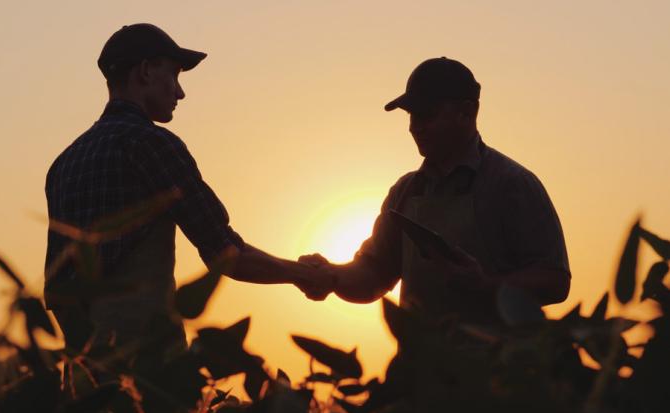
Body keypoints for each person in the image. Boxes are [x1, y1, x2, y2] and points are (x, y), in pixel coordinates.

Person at [44, 24, 327, 353]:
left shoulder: (63, 164)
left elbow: (57, 291)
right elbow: (227, 255)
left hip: (84, 385)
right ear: (147, 71)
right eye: (175, 75)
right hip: (148, 376)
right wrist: (305, 274)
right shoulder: (151, 144)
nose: (180, 93)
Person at [297, 57, 570, 323]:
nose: (416, 127)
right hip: (420, 366)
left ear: (467, 112)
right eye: (412, 116)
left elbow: (556, 282)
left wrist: (487, 285)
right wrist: (331, 276)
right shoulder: (404, 192)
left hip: (496, 366)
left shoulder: (513, 185)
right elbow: (373, 278)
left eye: (427, 115)